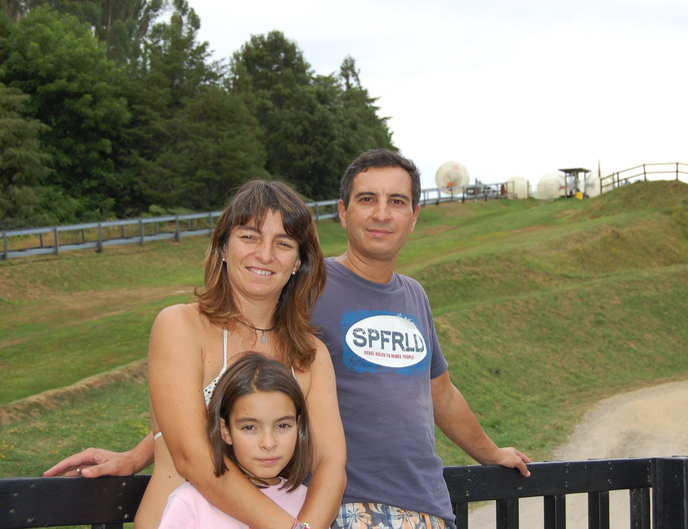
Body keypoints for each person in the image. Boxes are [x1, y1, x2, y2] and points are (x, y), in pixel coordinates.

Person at [45, 180, 346, 529]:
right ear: (222, 247)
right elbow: (193, 455)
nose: (265, 254)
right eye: (249, 236)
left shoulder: (311, 354)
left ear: (298, 262)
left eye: (283, 243)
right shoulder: (181, 327)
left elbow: (330, 463)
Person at [313, 149, 531, 528]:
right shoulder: (310, 287)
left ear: (413, 217)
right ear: (344, 212)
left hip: (429, 508)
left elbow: (441, 393)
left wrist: (492, 453)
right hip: (348, 507)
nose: (382, 213)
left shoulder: (414, 295)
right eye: (367, 199)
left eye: (397, 202)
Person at [159, 353, 312, 529]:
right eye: (250, 427)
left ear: (298, 426)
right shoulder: (189, 502)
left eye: (283, 425)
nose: (269, 443)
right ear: (226, 431)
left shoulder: (307, 503)